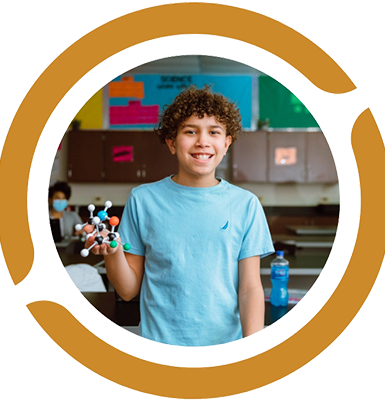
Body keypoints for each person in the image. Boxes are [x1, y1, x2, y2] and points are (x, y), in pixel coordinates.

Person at [85, 86, 274, 347]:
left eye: (214, 132)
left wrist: (253, 347)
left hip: (223, 349)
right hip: (158, 347)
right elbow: (127, 291)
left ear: (227, 143)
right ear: (172, 143)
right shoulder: (144, 200)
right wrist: (112, 251)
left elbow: (250, 289)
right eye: (190, 131)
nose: (203, 142)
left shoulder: (246, 205)